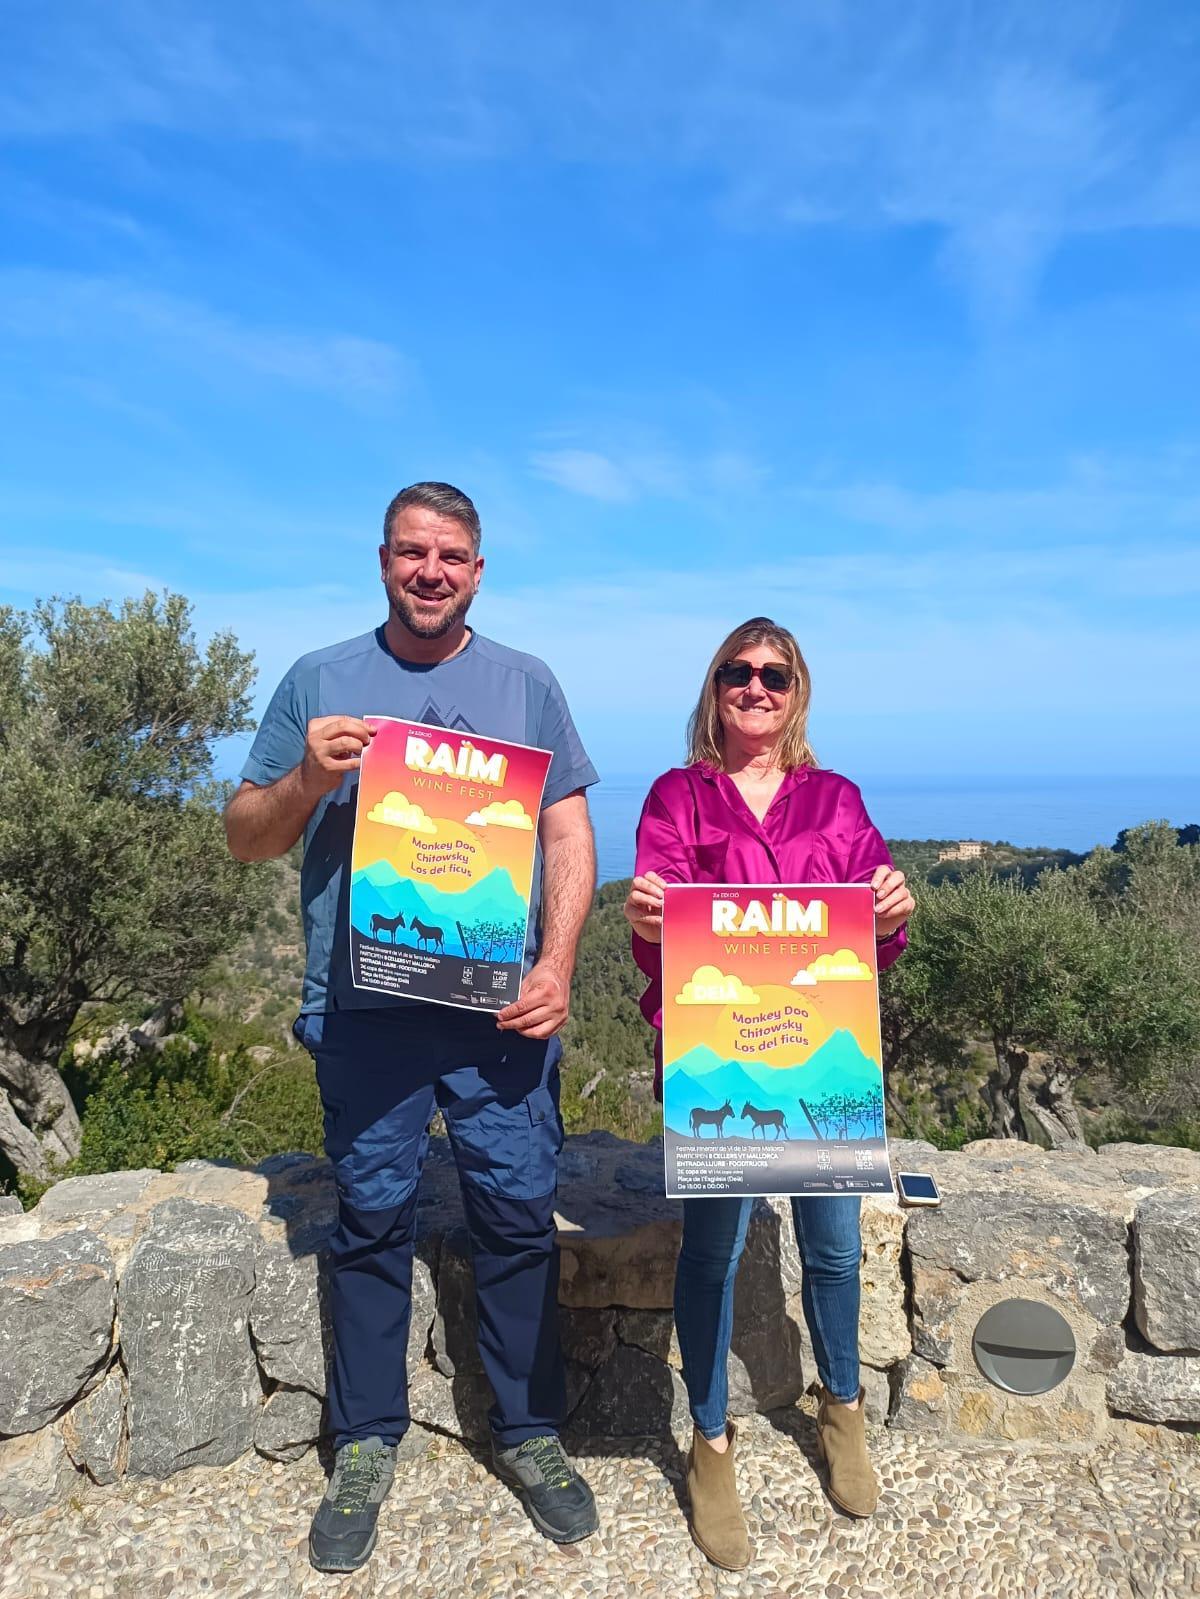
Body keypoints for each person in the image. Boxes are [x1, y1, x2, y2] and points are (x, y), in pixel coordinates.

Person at [225, 482, 600, 1572]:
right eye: (411, 553)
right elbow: (247, 836)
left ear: (479, 571)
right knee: (372, 1222)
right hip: (366, 1011)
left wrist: (560, 963)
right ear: (382, 561)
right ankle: (365, 1445)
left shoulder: (527, 684)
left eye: (452, 556)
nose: (430, 571)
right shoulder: (318, 679)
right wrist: (308, 776)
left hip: (500, 1019)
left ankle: (532, 1435)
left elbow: (571, 840)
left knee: (521, 1222)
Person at [622, 616, 913, 1571]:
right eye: (737, 673)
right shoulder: (679, 796)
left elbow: (869, 929)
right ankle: (710, 1447)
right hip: (721, 1065)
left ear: (797, 692)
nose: (755, 687)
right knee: (712, 1250)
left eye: (774, 675)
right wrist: (648, 919)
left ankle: (843, 1413)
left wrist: (895, 913)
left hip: (823, 1067)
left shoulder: (836, 797)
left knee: (832, 1246)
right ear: (714, 689)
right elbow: (655, 933)